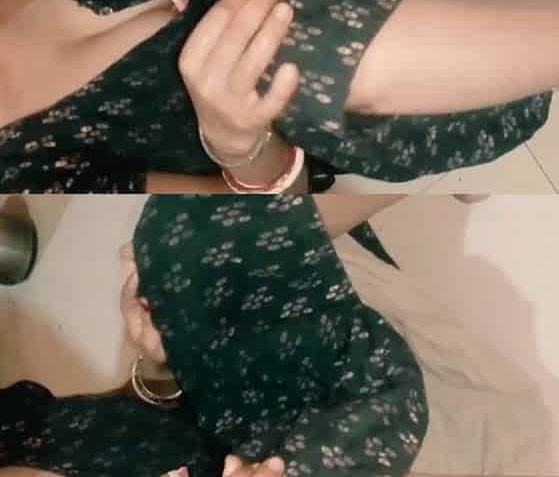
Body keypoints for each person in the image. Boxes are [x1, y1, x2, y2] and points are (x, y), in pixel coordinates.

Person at [1, 0, 559, 192]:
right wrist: (235, 140)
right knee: (299, 59)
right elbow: (271, 206)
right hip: (383, 75)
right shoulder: (24, 164)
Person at [0, 195, 429, 477]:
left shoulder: (14, 430)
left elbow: (127, 427)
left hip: (223, 418)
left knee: (183, 233)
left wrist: (161, 365)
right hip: (305, 441)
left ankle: (403, 163)